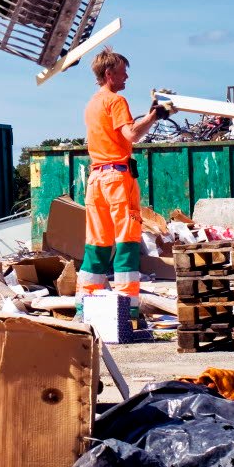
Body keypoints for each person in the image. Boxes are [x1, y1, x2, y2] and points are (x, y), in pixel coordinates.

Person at [81, 48, 167, 296]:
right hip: (117, 179)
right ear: (109, 74)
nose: (126, 77)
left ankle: (85, 302)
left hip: (96, 178)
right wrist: (153, 116)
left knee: (97, 242)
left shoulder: (92, 104)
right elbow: (132, 135)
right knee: (127, 240)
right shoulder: (116, 101)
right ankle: (127, 309)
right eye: (122, 73)